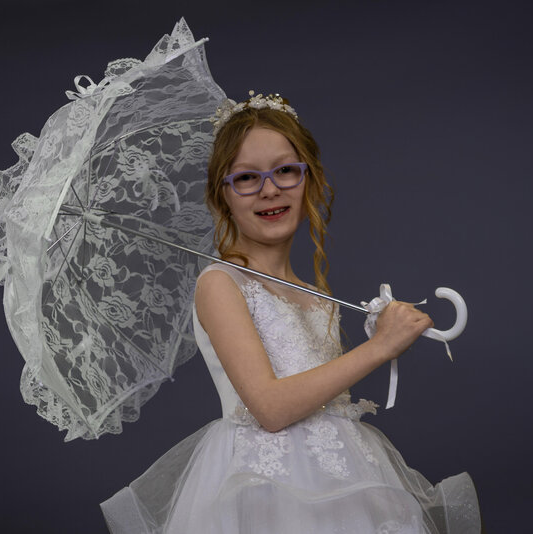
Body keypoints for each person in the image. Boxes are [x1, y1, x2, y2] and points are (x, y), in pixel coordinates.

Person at [101, 92, 481, 533]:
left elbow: (321, 390)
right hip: (265, 490)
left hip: (345, 479)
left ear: (310, 179)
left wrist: (382, 329)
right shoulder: (221, 285)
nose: (269, 189)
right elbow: (271, 408)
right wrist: (378, 348)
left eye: (285, 170)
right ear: (222, 196)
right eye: (246, 178)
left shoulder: (316, 296)